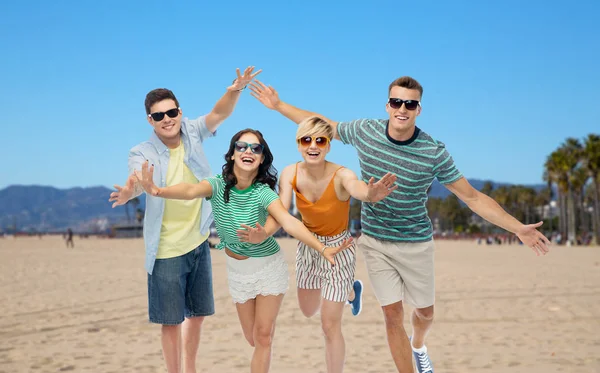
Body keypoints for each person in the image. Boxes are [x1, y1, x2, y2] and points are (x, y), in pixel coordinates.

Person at [248, 76, 551, 373]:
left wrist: (517, 228)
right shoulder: (366, 131)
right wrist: (278, 106)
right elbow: (324, 125)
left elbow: (471, 197)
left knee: (425, 313)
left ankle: (418, 345)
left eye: (410, 104)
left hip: (416, 243)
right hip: (376, 240)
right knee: (392, 315)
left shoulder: (433, 152)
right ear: (387, 105)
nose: (402, 108)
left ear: (419, 109)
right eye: (396, 102)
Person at [131, 128, 353, 373]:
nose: (249, 151)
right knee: (252, 338)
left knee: (263, 337)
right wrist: (158, 191)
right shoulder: (216, 185)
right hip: (238, 271)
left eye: (256, 148)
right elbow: (190, 190)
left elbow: (289, 221)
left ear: (261, 158)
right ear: (233, 155)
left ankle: (267, 334)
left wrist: (322, 249)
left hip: (268, 267)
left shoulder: (263, 193)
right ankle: (265, 334)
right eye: (242, 146)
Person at [108, 66, 260, 373]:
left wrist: (236, 90)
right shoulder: (142, 150)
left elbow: (219, 113)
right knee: (170, 321)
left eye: (171, 112)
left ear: (180, 111)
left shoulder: (191, 130)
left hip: (199, 240)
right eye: (159, 116)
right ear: (150, 120)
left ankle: (190, 368)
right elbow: (138, 177)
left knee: (198, 314)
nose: (167, 120)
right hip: (166, 249)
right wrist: (130, 189)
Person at [237, 116, 397, 373]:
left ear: (329, 145)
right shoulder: (290, 173)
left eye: (320, 140)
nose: (313, 145)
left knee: (329, 325)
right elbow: (282, 213)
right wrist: (263, 233)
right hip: (307, 244)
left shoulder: (342, 174)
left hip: (339, 248)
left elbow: (356, 188)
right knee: (308, 309)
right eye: (306, 140)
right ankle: (350, 290)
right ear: (299, 144)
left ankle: (346, 290)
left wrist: (370, 194)